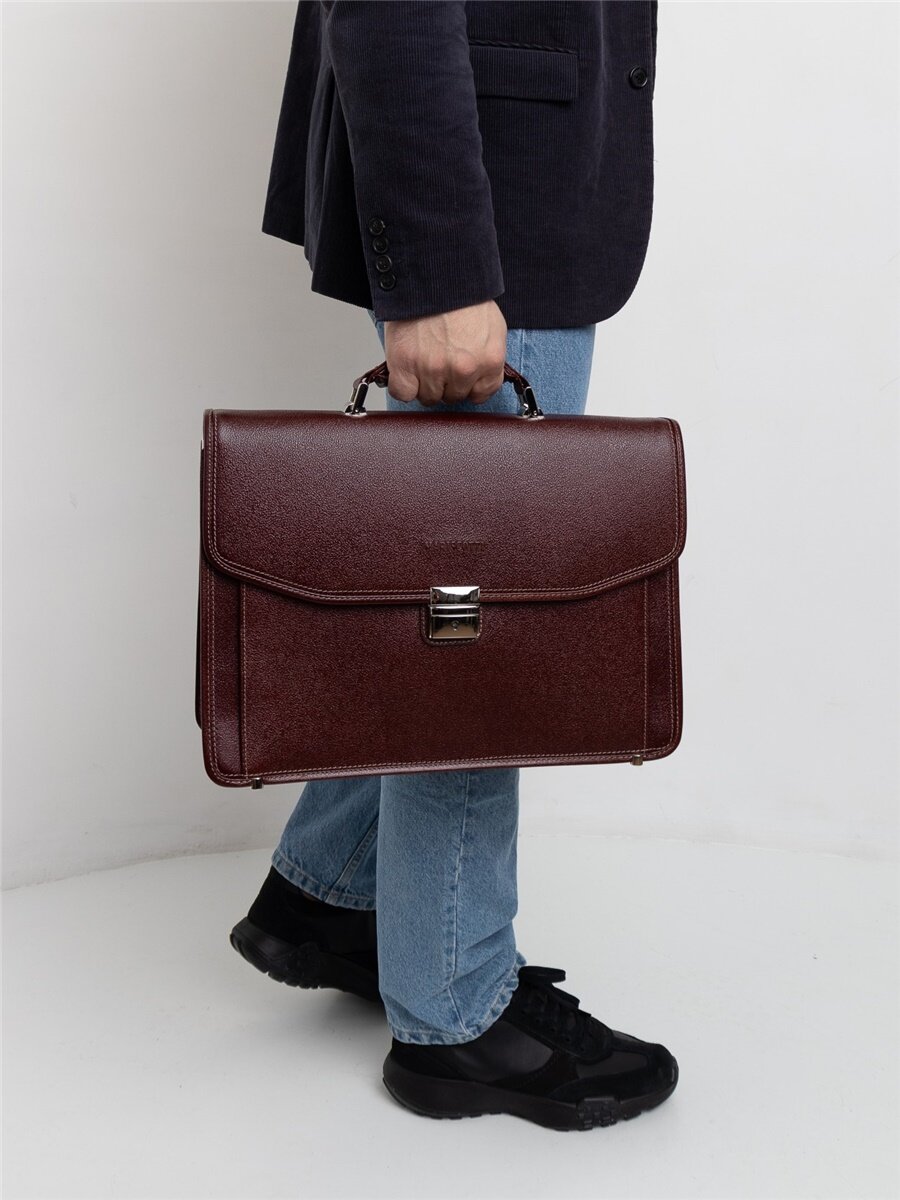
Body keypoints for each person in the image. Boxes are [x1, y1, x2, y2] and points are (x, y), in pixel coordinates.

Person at [230, 0, 678, 1131]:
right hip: (485, 200)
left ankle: (331, 894)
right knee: (481, 633)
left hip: (503, 166)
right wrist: (435, 271)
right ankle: (457, 1013)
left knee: (451, 610)